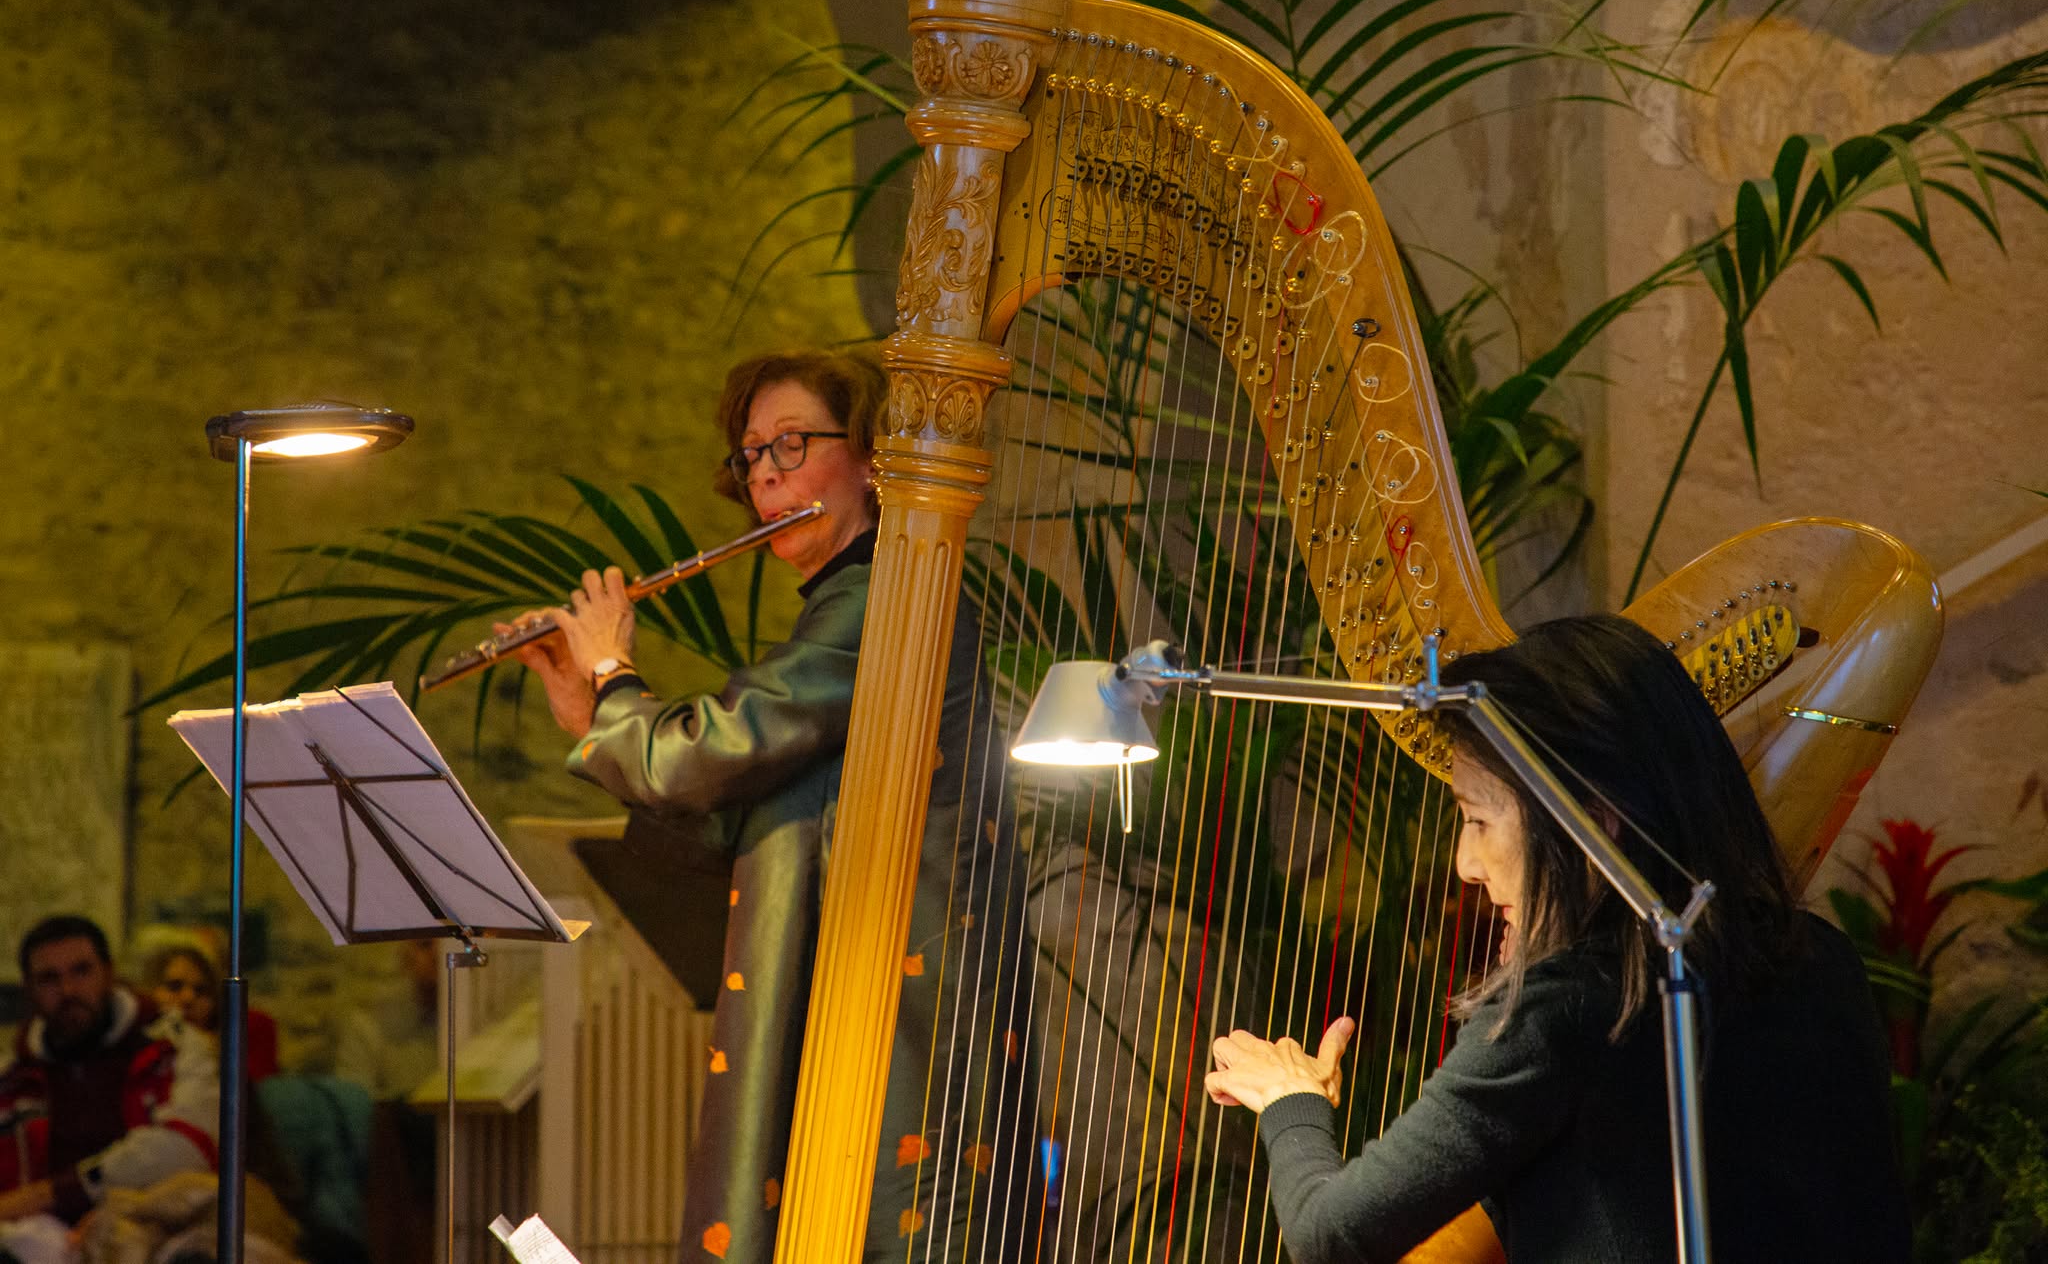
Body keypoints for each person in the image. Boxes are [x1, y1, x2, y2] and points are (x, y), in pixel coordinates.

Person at [507, 348, 1035, 1264]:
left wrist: (611, 673)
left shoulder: (884, 598)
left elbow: (709, 750)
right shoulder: (842, 605)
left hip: (903, 1034)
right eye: (752, 457)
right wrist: (591, 709)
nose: (767, 475)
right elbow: (740, 812)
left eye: (792, 444)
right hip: (851, 1015)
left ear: (871, 460)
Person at [1203, 614, 1910, 1263]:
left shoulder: (1563, 1011)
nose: (1464, 864)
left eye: (1477, 819)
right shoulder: (1822, 958)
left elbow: (1329, 1235)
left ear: (1593, 825)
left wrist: (1290, 1100)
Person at [0, 917, 218, 1262]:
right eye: (49, 979)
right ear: (29, 990)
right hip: (42, 1238)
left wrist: (55, 1194)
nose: (68, 990)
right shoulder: (14, 1077)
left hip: (161, 1224)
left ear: (109, 973)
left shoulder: (172, 1046)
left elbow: (186, 1148)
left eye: (81, 971)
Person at [141, 934, 280, 1083]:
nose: (188, 998)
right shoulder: (137, 1040)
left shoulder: (245, 1030)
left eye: (201, 990)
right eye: (175, 986)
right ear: (151, 989)